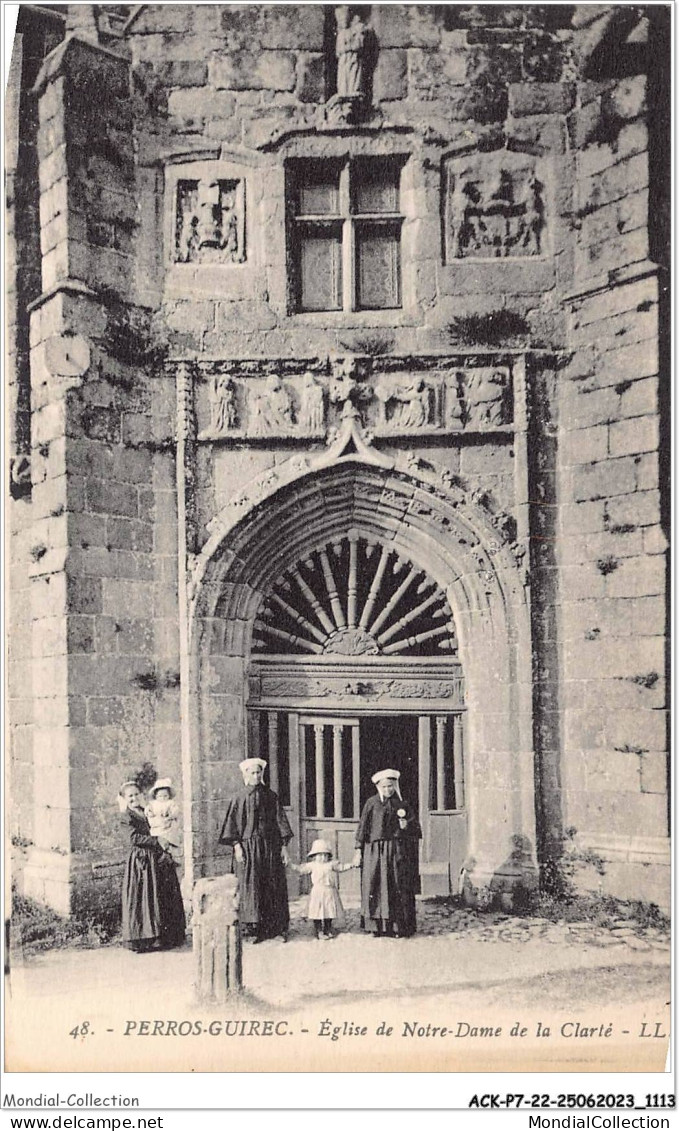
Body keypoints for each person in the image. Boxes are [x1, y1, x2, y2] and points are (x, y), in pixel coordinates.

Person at [218, 758, 293, 943]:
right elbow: (232, 825)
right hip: (247, 849)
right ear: (245, 775)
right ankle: (251, 930)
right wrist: (237, 846)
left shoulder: (271, 796)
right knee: (250, 887)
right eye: (252, 773)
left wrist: (283, 847)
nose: (256, 775)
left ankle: (274, 929)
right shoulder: (238, 798)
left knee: (272, 886)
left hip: (270, 848)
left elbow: (280, 822)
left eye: (258, 772)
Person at [118, 779, 186, 953]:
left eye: (136, 794)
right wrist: (157, 840)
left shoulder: (146, 811)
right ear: (124, 798)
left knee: (161, 894)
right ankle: (145, 939)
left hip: (155, 855)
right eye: (129, 796)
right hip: (141, 860)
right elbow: (133, 839)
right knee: (145, 897)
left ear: (141, 795)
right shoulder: (126, 816)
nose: (133, 798)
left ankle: (166, 936)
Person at [353, 769, 422, 938]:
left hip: (397, 852)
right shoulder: (371, 803)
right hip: (375, 852)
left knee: (397, 886)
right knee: (375, 886)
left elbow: (416, 828)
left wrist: (406, 826)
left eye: (390, 786)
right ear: (378, 787)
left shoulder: (402, 804)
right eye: (384, 787)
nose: (388, 790)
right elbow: (363, 827)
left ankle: (399, 928)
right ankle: (376, 927)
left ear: (395, 786)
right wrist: (358, 850)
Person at [288, 838, 356, 940]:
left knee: (329, 911)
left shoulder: (331, 864)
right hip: (317, 892)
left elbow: (341, 867)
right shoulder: (312, 865)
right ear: (314, 856)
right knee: (317, 912)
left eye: (325, 855)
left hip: (329, 891)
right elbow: (300, 869)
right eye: (319, 855)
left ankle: (328, 929)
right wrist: (290, 865)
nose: (322, 857)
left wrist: (352, 865)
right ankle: (319, 930)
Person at [145, 778, 182, 864]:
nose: (163, 798)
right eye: (160, 796)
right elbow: (147, 810)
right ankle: (161, 856)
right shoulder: (153, 803)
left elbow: (176, 811)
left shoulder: (170, 803)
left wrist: (171, 815)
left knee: (169, 839)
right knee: (157, 839)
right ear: (156, 796)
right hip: (157, 825)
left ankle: (168, 855)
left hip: (167, 824)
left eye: (165, 796)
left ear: (169, 795)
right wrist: (149, 812)